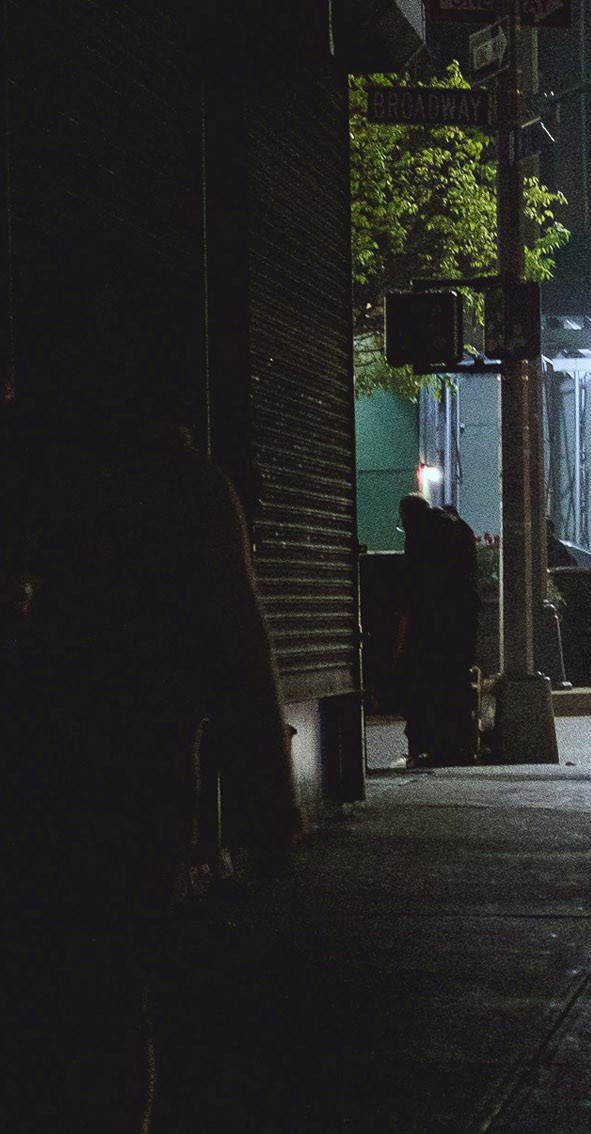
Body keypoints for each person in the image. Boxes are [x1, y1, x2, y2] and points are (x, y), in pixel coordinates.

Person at [2, 388, 301, 1130]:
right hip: (138, 778)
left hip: (33, 767)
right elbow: (237, 649)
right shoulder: (186, 487)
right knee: (109, 989)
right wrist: (267, 801)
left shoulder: (36, 474)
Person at [397, 495, 478, 765]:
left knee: (427, 685)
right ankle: (460, 746)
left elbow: (412, 582)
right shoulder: (459, 526)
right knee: (456, 681)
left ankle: (429, 746)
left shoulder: (419, 532)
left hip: (431, 625)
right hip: (462, 622)